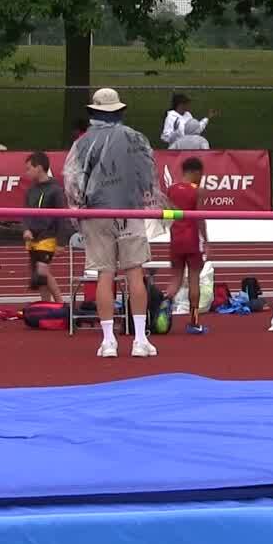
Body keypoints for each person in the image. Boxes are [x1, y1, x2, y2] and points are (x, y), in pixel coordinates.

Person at [64, 88, 161, 359]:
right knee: (134, 272)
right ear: (119, 111)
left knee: (104, 274)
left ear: (93, 112)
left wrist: (78, 211)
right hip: (131, 211)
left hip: (97, 214)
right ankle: (140, 339)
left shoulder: (83, 143)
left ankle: (109, 341)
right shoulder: (134, 138)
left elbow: (73, 182)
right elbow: (148, 175)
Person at [161, 156, 208, 334]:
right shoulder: (198, 191)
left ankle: (163, 306)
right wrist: (207, 240)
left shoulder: (171, 189)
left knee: (175, 279)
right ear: (196, 172)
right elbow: (201, 218)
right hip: (193, 239)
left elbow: (168, 213)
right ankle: (194, 322)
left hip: (176, 238)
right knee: (194, 278)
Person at [22, 151, 65, 303]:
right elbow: (25, 213)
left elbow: (62, 216)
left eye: (29, 169)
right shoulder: (31, 191)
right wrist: (26, 229)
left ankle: (61, 304)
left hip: (48, 237)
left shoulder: (56, 190)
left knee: (43, 272)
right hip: (33, 238)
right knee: (37, 277)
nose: (26, 172)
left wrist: (60, 242)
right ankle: (46, 305)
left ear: (39, 168)